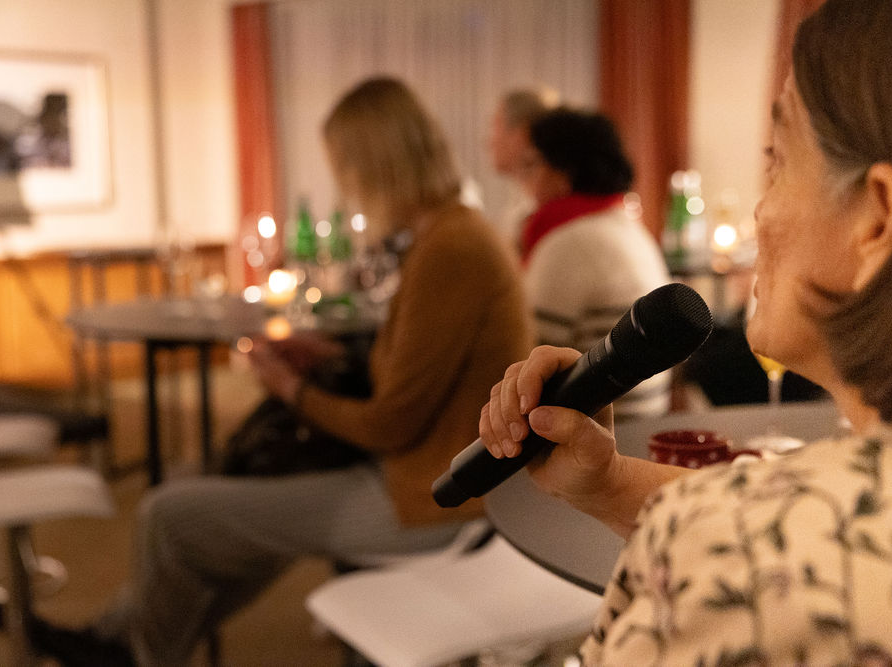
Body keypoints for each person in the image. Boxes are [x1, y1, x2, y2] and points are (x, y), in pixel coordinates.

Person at [480, 0, 892, 663]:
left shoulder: (733, 554)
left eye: (777, 160)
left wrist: (694, 527)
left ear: (877, 218)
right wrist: (611, 483)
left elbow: (758, 540)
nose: (757, 212)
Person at [35, 76, 532, 666]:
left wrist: (290, 388)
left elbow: (388, 424)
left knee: (167, 514)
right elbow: (420, 376)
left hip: (434, 496)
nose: (346, 187)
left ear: (374, 166)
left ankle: (126, 651)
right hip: (429, 477)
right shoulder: (450, 235)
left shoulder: (451, 248)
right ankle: (118, 642)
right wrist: (326, 359)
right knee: (226, 527)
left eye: (346, 168)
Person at [519, 106, 672, 420]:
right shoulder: (628, 227)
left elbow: (526, 360)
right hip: (647, 414)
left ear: (562, 173)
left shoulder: (568, 243)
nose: (526, 181)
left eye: (533, 165)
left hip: (605, 422)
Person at [487, 87, 559, 248]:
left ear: (523, 133)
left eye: (496, 127)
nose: (489, 142)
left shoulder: (540, 209)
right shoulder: (522, 202)